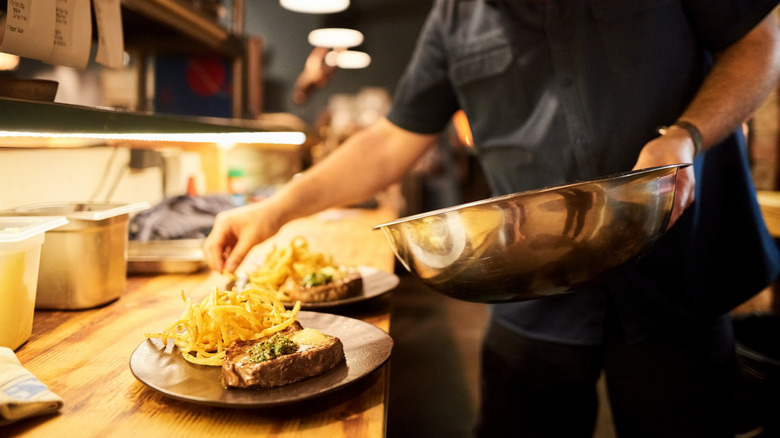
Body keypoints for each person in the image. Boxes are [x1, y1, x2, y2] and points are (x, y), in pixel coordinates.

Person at [204, 1, 780, 436]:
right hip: (529, 293)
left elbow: (762, 38)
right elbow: (390, 143)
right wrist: (276, 208)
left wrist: (686, 135)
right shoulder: (455, 17)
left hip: (676, 282)